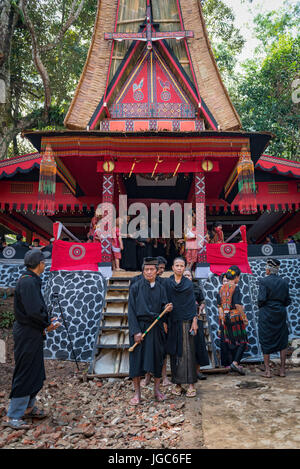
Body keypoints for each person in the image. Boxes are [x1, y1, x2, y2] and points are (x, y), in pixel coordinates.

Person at [4, 250, 61, 429]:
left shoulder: (30, 280)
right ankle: (14, 415)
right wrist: (46, 324)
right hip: (27, 333)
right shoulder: (28, 282)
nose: (45, 264)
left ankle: (29, 407)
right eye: (44, 262)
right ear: (40, 264)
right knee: (26, 370)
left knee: (35, 371)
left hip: (32, 332)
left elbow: (35, 309)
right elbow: (34, 311)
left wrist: (45, 323)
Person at [128, 257, 173, 405]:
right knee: (137, 362)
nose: (149, 272)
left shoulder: (161, 288)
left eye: (152, 269)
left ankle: (157, 391)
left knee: (157, 360)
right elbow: (131, 311)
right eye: (146, 269)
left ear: (156, 271)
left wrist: (167, 308)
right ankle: (137, 394)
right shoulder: (135, 287)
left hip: (156, 327)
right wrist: (135, 332)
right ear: (143, 271)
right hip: (140, 328)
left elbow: (164, 307)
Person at [165, 257, 198, 398]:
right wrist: (164, 321)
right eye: (177, 265)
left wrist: (194, 321)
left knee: (188, 352)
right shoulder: (167, 283)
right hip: (172, 321)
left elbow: (192, 304)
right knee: (175, 353)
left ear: (185, 267)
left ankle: (191, 385)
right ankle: (177, 384)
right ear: (172, 267)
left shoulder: (188, 284)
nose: (179, 268)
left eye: (182, 266)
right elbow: (164, 301)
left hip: (186, 321)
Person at [257, 259, 291, 378]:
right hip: (280, 313)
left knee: (266, 339)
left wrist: (262, 305)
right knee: (282, 340)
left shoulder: (263, 281)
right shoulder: (284, 283)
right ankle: (282, 370)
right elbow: (288, 300)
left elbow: (261, 299)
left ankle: (267, 371)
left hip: (266, 313)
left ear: (268, 269)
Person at [217, 266, 248, 375]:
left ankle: (232, 364)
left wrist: (222, 318)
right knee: (243, 341)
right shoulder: (235, 287)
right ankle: (235, 363)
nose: (239, 279)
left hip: (226, 319)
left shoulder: (222, 288)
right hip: (235, 318)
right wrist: (244, 318)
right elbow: (238, 305)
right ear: (236, 276)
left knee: (230, 341)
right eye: (238, 277)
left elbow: (219, 305)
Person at [183, 269, 209, 380]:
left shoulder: (196, 288)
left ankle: (197, 371)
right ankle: (187, 372)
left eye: (189, 275)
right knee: (185, 347)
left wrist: (201, 306)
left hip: (196, 319)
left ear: (192, 277)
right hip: (183, 320)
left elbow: (202, 301)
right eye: (185, 275)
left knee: (198, 345)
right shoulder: (178, 288)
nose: (187, 277)